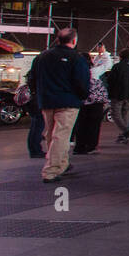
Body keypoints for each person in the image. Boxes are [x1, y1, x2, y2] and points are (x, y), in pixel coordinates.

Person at [34, 30, 90, 182]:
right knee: (61, 136)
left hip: (46, 101)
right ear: (74, 40)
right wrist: (82, 96)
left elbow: (32, 78)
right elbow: (82, 82)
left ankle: (62, 164)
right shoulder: (76, 58)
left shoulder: (42, 56)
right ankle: (50, 171)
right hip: (68, 102)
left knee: (51, 134)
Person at [72, 57, 108, 155]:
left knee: (81, 126)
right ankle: (91, 146)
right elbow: (106, 64)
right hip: (96, 105)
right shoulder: (96, 77)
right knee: (93, 126)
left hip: (82, 104)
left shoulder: (76, 77)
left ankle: (79, 146)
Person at [107, 47, 129, 143]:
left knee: (116, 114)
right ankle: (125, 134)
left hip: (118, 94)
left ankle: (127, 131)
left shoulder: (117, 67)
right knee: (126, 113)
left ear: (121, 56)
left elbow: (110, 80)